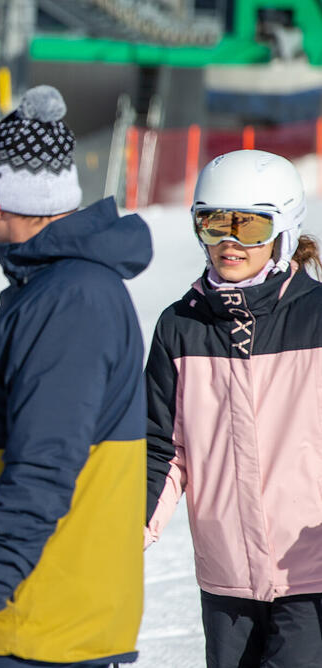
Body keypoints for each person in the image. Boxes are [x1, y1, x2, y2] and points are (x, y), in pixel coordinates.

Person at [0, 85, 152, 668]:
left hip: (42, 625)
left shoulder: (70, 301)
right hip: (35, 614)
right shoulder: (55, 290)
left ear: (0, 201)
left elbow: (45, 464)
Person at [144, 149, 322, 668]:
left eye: (248, 227)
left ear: (284, 229)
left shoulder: (316, 321)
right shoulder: (180, 327)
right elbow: (162, 444)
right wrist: (131, 522)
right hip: (226, 577)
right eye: (214, 222)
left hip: (308, 572)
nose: (228, 241)